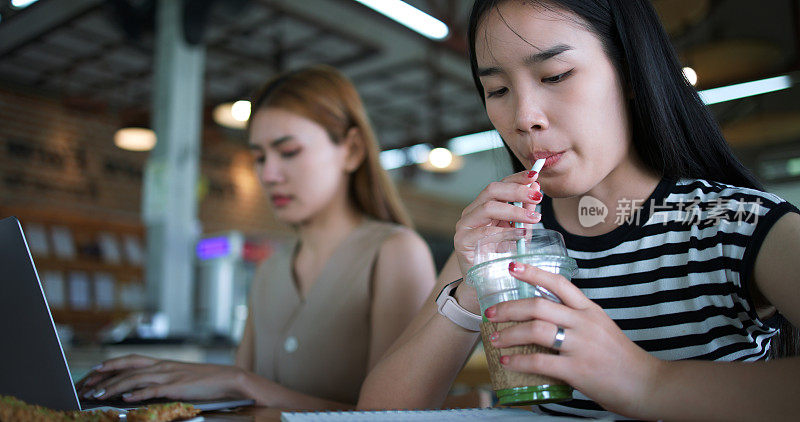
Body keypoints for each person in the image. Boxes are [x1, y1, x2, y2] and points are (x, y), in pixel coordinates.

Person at [359, 0, 800, 419]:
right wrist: (476, 285)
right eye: (497, 89)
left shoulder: (738, 224)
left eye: (555, 75)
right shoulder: (504, 238)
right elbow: (378, 415)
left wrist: (648, 382)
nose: (524, 116)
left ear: (629, 72)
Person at [76, 65, 437, 409]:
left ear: (352, 150)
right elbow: (242, 403)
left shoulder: (395, 253)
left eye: (289, 151)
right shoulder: (270, 270)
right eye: (259, 157)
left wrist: (243, 382)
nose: (269, 174)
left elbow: (393, 415)